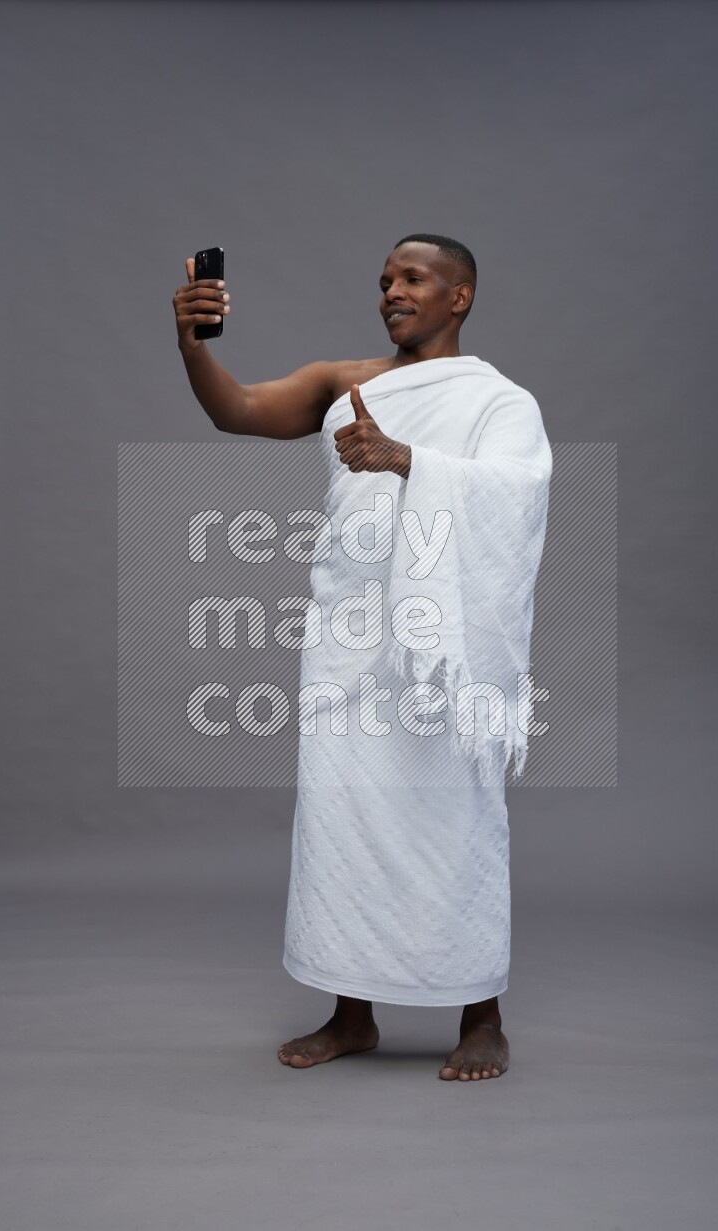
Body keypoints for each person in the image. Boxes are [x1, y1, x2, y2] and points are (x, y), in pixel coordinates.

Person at [172, 234, 551, 1081]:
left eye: (413, 278)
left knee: (457, 815)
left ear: (461, 297)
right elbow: (236, 409)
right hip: (351, 637)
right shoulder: (343, 383)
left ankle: (481, 1012)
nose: (391, 291)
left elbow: (519, 491)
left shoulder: (498, 402)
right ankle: (352, 1013)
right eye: (384, 280)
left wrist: (406, 458)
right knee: (347, 816)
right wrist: (192, 345)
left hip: (442, 653)